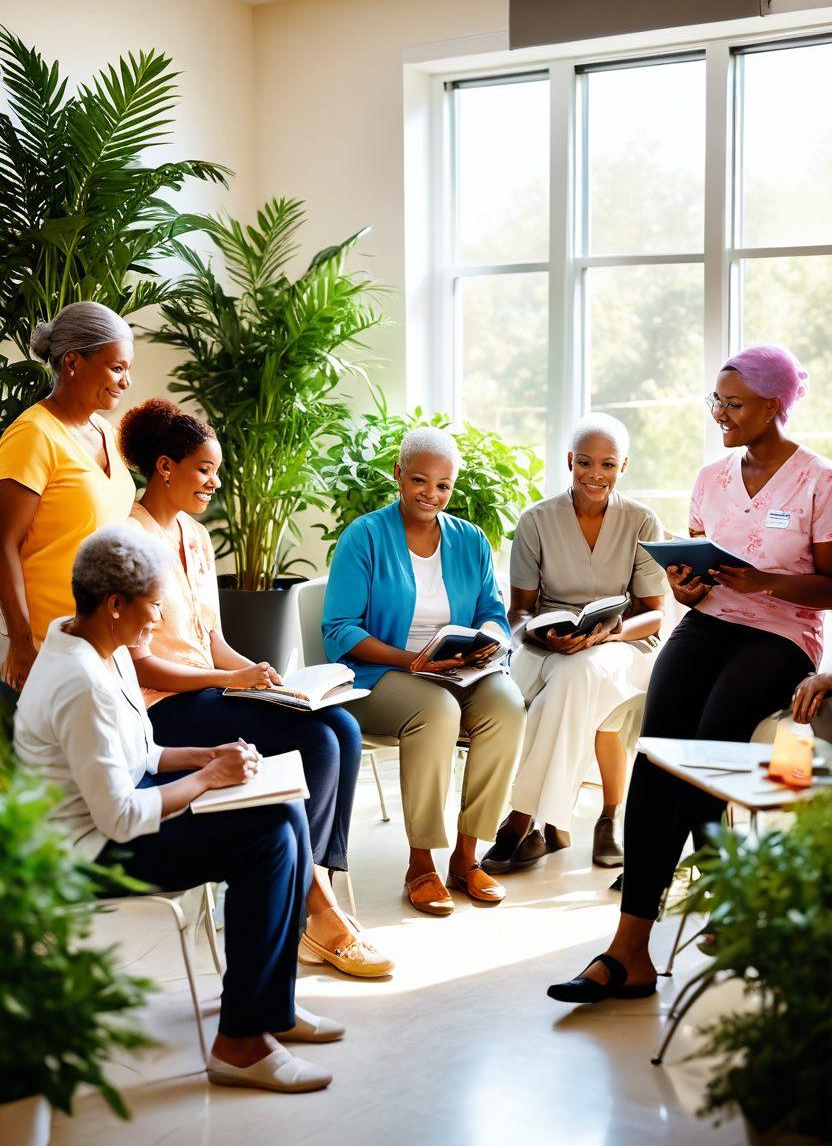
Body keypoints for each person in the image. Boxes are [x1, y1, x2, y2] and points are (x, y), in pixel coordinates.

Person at [549, 345, 832, 1005]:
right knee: (658, 752)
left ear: (773, 405)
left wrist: (767, 582)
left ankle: (724, 899)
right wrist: (686, 585)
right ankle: (629, 950)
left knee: (706, 744)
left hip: (784, 633)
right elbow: (694, 588)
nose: (720, 413)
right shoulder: (711, 478)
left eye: (734, 403)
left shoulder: (819, 480)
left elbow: (829, 586)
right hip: (710, 622)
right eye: (716, 400)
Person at [14, 525, 340, 1093]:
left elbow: (141, 750)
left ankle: (271, 1012)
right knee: (264, 838)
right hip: (86, 853)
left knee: (283, 811)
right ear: (115, 604)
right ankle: (239, 1043)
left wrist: (204, 755)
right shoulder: (80, 680)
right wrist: (210, 778)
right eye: (154, 606)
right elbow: (117, 816)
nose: (159, 621)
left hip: (113, 819)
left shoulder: (93, 644)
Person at [117, 398, 390, 979]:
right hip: (162, 713)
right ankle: (311, 913)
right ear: (164, 467)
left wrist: (262, 674)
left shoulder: (193, 536)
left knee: (339, 725)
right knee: (315, 743)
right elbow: (140, 666)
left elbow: (209, 638)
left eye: (216, 472)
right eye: (204, 471)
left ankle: (307, 898)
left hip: (208, 693)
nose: (215, 484)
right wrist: (228, 679)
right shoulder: (129, 544)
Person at [322, 427, 526, 916]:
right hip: (377, 673)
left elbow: (493, 611)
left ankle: (466, 856)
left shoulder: (470, 540)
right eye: (419, 480)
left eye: (443, 486)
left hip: (457, 669)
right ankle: (421, 863)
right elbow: (339, 630)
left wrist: (489, 642)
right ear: (398, 475)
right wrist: (410, 661)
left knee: (508, 707)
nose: (431, 495)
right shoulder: (365, 536)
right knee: (435, 710)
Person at [482, 414, 666, 876]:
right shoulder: (536, 520)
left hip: (621, 645)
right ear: (570, 460)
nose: (595, 475)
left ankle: (524, 819)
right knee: (554, 684)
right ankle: (552, 820)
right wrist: (545, 634)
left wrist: (611, 632)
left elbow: (653, 612)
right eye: (585, 462)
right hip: (547, 644)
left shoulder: (642, 520)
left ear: (624, 465)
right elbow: (519, 612)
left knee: (576, 675)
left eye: (607, 464)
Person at [0, 302, 136, 690]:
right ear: (73, 363)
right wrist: (22, 642)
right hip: (50, 647)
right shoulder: (32, 436)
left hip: (104, 648)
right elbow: (3, 543)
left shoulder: (104, 431)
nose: (126, 381)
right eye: (117, 367)